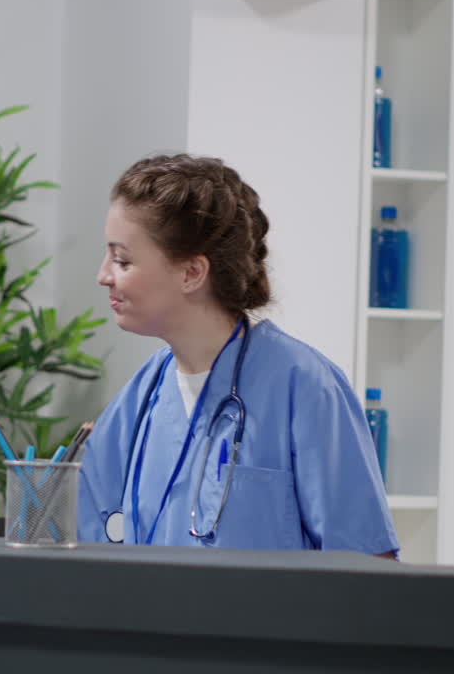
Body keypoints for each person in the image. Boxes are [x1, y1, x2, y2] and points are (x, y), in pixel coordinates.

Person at [79, 154, 398, 556]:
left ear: (192, 273)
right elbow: (89, 538)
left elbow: (367, 562)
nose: (103, 275)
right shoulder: (141, 397)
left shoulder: (304, 385)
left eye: (122, 260)